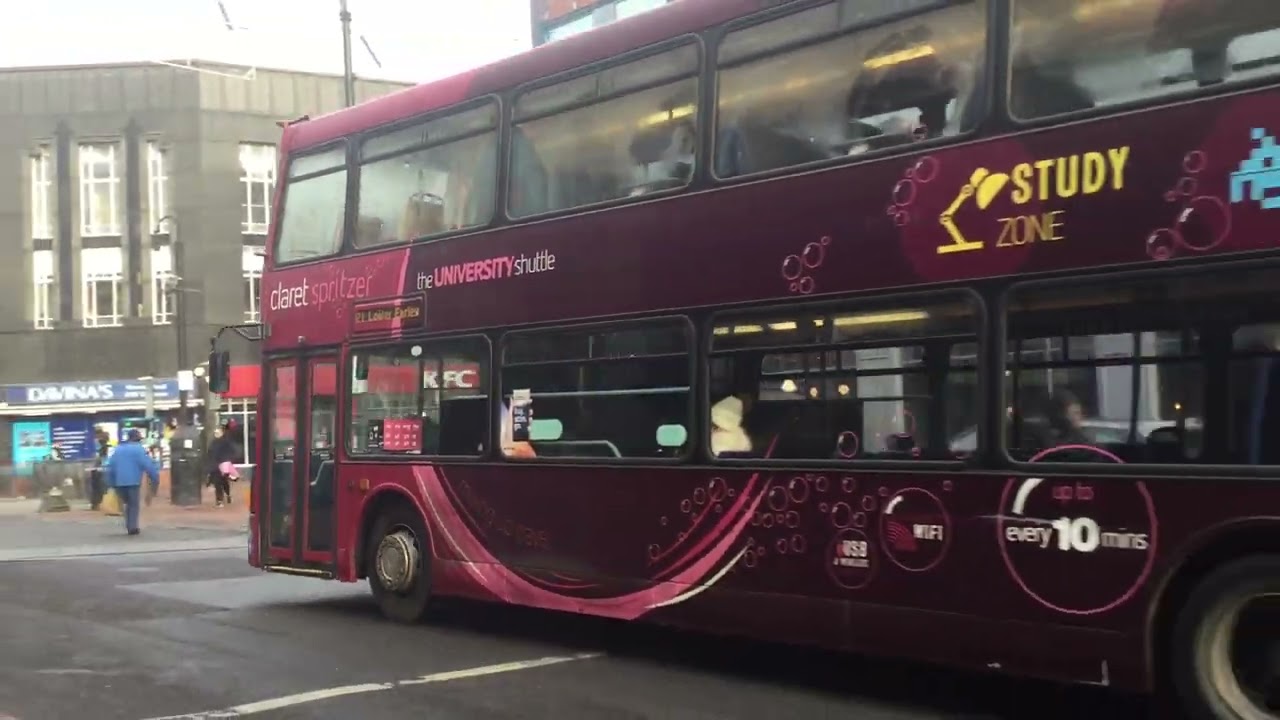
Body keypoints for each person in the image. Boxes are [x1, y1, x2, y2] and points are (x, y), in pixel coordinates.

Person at [105, 429, 160, 536]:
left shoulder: (118, 449)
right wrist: (155, 477)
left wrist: (110, 483)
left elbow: (111, 466)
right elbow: (147, 465)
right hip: (133, 481)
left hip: (119, 482)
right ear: (137, 439)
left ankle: (129, 524)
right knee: (133, 504)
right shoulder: (138, 450)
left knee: (126, 503)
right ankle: (132, 526)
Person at [206, 424, 239, 507]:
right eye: (215, 432)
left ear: (222, 432)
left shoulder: (226, 441)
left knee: (224, 482)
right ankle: (219, 500)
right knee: (217, 483)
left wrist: (227, 460)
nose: (216, 433)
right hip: (216, 466)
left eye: (218, 432)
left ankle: (227, 494)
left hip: (224, 466)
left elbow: (233, 452)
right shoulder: (213, 442)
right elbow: (210, 453)